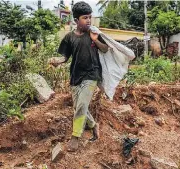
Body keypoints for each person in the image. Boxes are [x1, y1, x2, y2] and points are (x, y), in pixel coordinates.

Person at [48, 1, 108, 152]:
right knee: (78, 106)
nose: (88, 20)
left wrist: (95, 40)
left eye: (90, 17)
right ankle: (94, 125)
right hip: (75, 76)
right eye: (85, 17)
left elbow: (106, 49)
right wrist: (57, 61)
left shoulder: (93, 33)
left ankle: (75, 137)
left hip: (92, 74)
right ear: (76, 20)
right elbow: (65, 57)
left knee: (81, 105)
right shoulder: (69, 38)